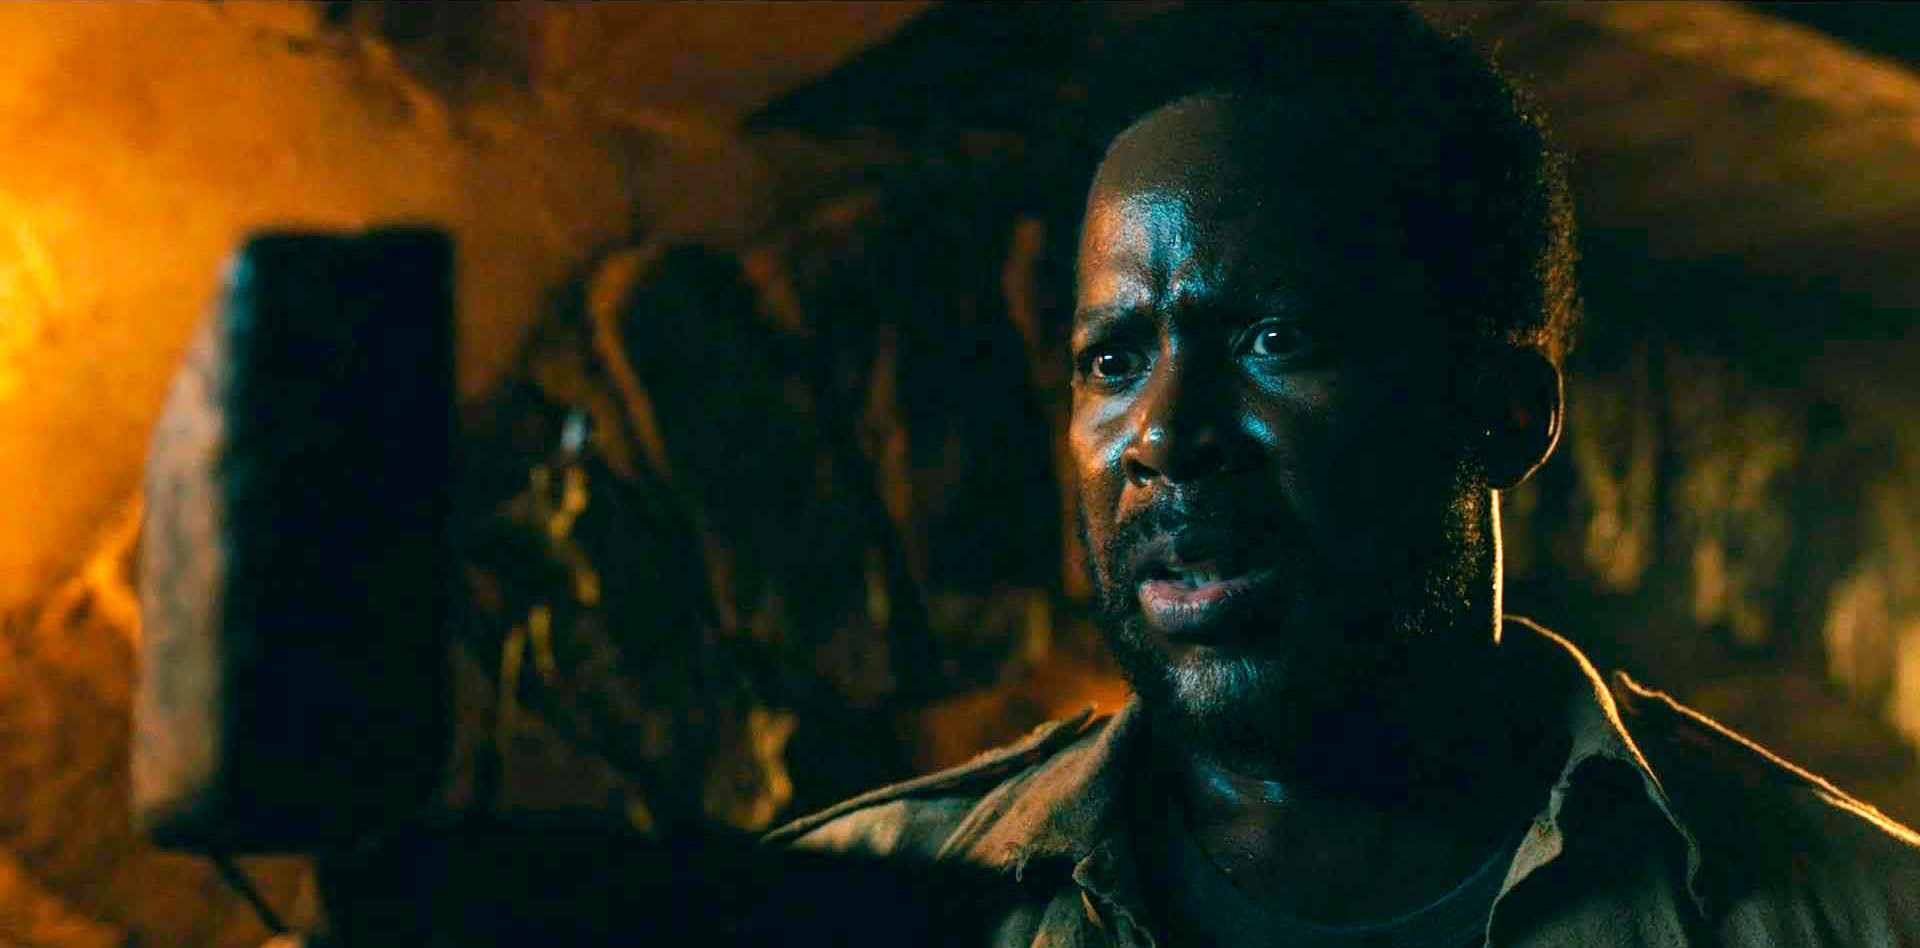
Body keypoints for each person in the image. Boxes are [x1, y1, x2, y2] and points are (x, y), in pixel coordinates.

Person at [767, 4, 1920, 946]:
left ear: (1504, 416)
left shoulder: (1855, 918)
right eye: (1114, 359)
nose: (1164, 433)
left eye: (1276, 338)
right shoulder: (845, 911)